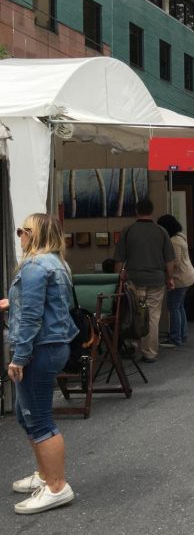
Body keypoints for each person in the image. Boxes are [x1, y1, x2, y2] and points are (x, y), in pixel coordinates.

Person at [2, 214, 78, 514]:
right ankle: (47, 475)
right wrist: (12, 302)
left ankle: (57, 486)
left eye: (23, 231)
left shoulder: (35, 266)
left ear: (35, 235)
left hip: (39, 348)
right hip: (51, 344)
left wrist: (19, 357)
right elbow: (45, 305)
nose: (19, 235)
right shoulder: (56, 262)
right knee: (26, 413)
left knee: (38, 418)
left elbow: (33, 318)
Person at [114, 199, 175, 362]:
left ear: (136, 210)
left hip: (134, 280)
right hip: (156, 279)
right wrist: (170, 278)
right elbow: (169, 260)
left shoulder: (128, 231)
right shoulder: (161, 231)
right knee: (153, 316)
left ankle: (134, 346)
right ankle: (149, 352)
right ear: (152, 210)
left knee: (136, 314)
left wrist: (118, 277)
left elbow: (119, 259)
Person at [157, 214, 194, 347]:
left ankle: (175, 338)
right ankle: (182, 334)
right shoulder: (181, 236)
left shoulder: (173, 242)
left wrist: (169, 278)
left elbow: (174, 263)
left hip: (180, 278)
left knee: (173, 307)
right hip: (188, 276)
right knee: (179, 306)